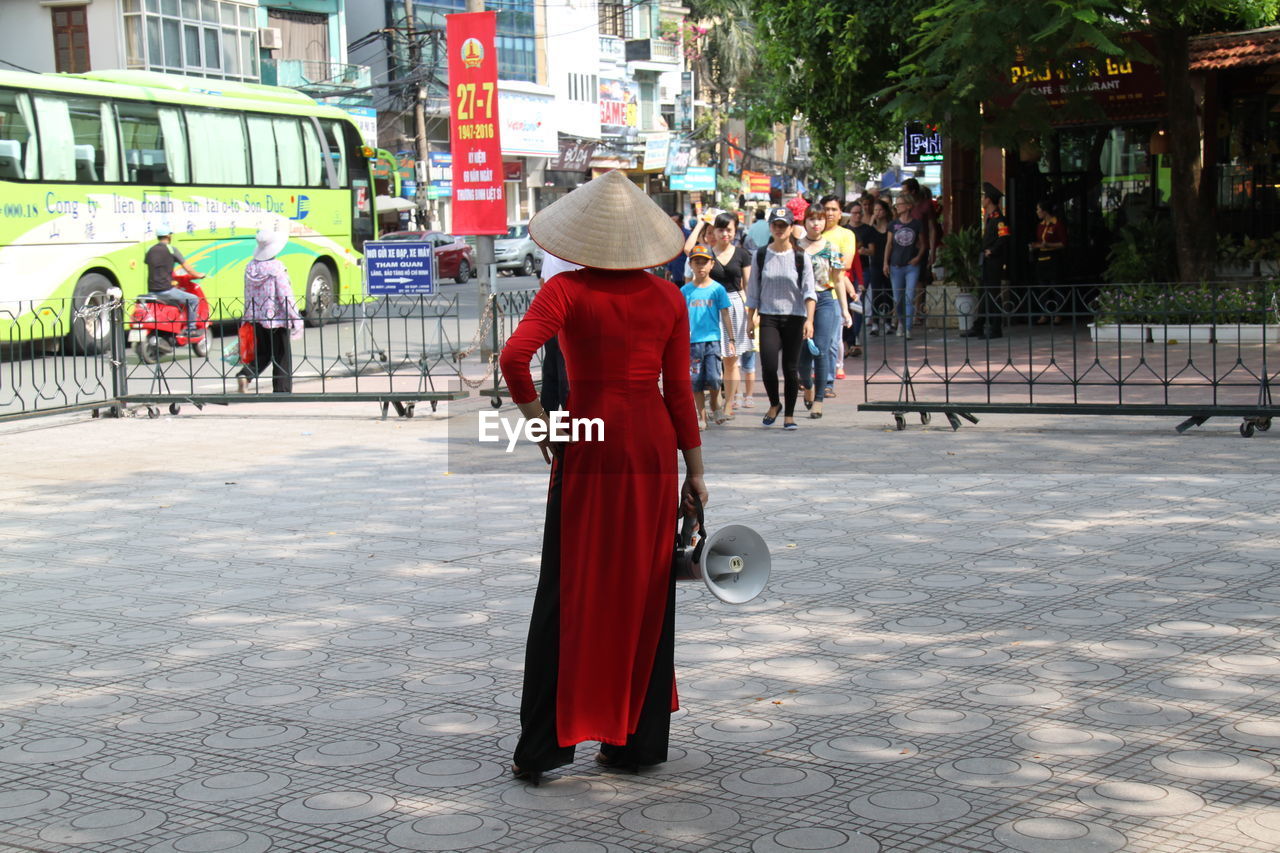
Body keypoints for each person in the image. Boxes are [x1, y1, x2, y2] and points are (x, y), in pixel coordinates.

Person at [498, 170, 705, 782]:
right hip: (650, 450)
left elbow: (512, 358)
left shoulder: (564, 291)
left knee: (571, 585)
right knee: (643, 588)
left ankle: (543, 749)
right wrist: (695, 472)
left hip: (587, 444)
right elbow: (681, 392)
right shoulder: (669, 297)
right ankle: (635, 744)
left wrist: (542, 429)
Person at [746, 207, 816, 431]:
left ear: (791, 227)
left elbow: (809, 291)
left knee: (790, 368)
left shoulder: (800, 256)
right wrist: (750, 318)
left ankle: (790, 414)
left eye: (783, 225)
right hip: (768, 316)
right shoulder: (761, 254)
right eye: (775, 225)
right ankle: (774, 403)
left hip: (795, 316)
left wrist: (809, 320)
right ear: (770, 227)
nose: (779, 229)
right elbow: (753, 289)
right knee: (767, 365)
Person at [685, 212, 753, 420]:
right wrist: (701, 223)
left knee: (731, 359)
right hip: (708, 308)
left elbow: (748, 286)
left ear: (735, 231)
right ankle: (714, 402)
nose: (725, 234)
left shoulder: (742, 254)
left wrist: (752, 313)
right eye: (720, 229)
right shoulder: (705, 253)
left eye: (729, 229)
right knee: (710, 359)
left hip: (733, 305)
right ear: (712, 231)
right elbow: (688, 250)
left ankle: (728, 404)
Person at [797, 205, 852, 420]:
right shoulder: (795, 248)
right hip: (800, 303)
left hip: (825, 300)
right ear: (805, 222)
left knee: (820, 348)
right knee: (802, 353)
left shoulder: (831, 247)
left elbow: (838, 279)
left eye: (819, 219)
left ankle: (819, 399)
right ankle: (808, 385)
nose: (816, 223)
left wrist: (845, 310)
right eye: (812, 219)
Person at [236, 230, 303, 393]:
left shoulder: (250, 267)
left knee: (264, 352)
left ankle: (246, 374)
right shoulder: (277, 268)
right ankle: (282, 391)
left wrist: (247, 316)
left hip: (256, 318)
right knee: (281, 355)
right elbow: (285, 295)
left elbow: (247, 293)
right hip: (277, 319)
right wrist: (296, 317)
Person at [682, 245, 735, 428]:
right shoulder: (686, 291)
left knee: (713, 378)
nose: (701, 266)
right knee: (695, 381)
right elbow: (679, 316)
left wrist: (731, 339)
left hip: (712, 340)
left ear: (711, 264)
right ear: (691, 265)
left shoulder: (717, 289)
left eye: (704, 262)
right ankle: (701, 416)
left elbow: (726, 314)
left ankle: (714, 403)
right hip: (692, 343)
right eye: (697, 262)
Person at [819, 194, 857, 391]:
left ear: (840, 213)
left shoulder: (846, 235)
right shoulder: (813, 234)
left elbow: (845, 265)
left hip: (833, 293)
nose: (830, 213)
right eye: (826, 209)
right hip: (810, 296)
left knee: (832, 342)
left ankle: (827, 382)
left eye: (834, 209)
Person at [962, 182, 1010, 340]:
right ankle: (979, 325)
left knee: (993, 294)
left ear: (989, 200)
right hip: (987, 261)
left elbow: (1004, 238)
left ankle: (995, 328)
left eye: (984, 197)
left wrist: (992, 250)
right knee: (984, 293)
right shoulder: (990, 218)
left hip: (994, 261)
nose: (982, 199)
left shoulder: (999, 219)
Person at [538, 252, 584, 412]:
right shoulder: (583, 253)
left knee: (551, 371)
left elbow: (542, 282)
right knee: (567, 371)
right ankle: (572, 425)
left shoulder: (550, 250)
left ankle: (546, 425)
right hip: (573, 319)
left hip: (551, 317)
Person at [143, 227, 204, 338]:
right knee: (193, 299)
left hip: (151, 290)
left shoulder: (150, 250)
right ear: (168, 236)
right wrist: (199, 275)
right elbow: (188, 269)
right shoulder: (171, 250)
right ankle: (191, 329)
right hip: (166, 290)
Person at [884, 194, 926, 339]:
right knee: (898, 298)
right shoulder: (893, 224)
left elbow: (923, 244)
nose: (898, 206)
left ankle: (908, 328)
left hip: (911, 266)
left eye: (900, 203)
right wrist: (885, 262)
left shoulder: (916, 224)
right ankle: (901, 322)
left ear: (908, 206)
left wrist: (918, 257)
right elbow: (889, 245)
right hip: (896, 265)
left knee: (909, 296)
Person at [1030, 200, 1067, 325]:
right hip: (1041, 258)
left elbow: (1063, 243)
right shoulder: (1040, 225)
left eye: (1038, 209)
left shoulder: (1057, 224)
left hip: (1054, 258)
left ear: (1045, 211)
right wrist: (1035, 246)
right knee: (1042, 288)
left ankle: (1058, 313)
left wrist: (1049, 244)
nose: (1037, 212)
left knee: (1056, 286)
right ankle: (1044, 313)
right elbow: (1039, 241)